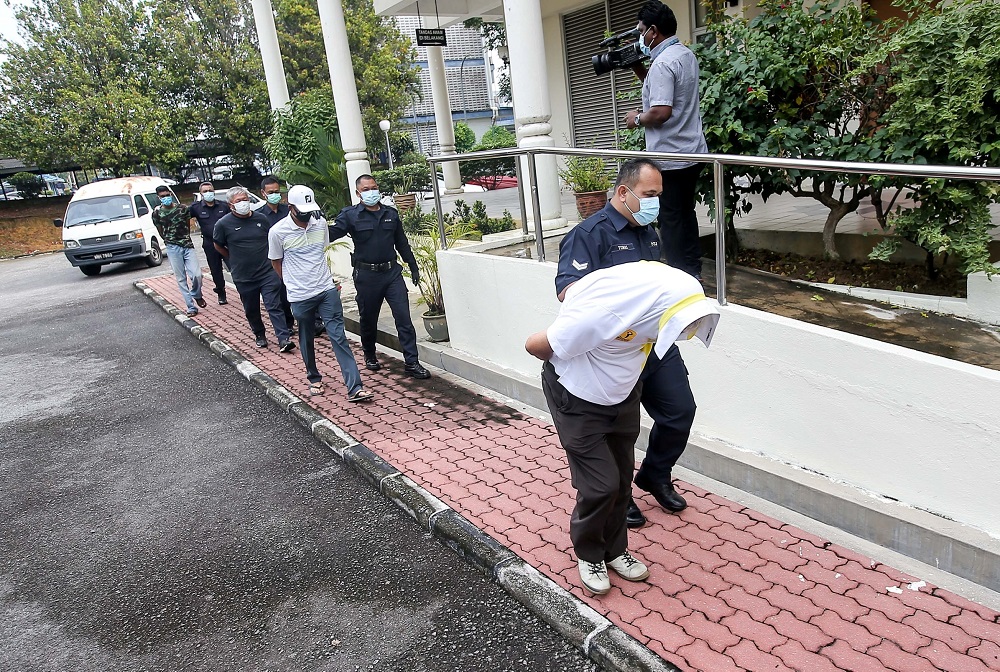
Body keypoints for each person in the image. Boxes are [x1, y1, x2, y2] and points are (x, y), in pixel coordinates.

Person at [525, 261, 719, 595]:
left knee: (621, 480)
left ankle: (614, 550)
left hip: (623, 395)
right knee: (600, 485)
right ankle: (589, 554)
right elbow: (535, 345)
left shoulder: (671, 294)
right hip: (578, 399)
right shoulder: (601, 315)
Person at [556, 158, 700, 529]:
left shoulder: (649, 232)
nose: (656, 202)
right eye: (649, 195)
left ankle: (655, 474)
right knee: (620, 432)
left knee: (680, 411)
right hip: (613, 352)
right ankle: (622, 498)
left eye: (658, 195)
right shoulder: (589, 234)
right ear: (624, 192)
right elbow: (569, 292)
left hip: (653, 345)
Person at [623, 0, 709, 280]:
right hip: (692, 152)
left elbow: (661, 112)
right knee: (685, 213)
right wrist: (638, 70)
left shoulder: (663, 62)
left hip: (671, 156)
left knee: (670, 219)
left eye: (641, 31)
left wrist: (636, 118)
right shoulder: (684, 55)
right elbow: (663, 90)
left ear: (653, 31)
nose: (640, 37)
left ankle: (676, 278)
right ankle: (692, 270)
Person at [268, 185, 373, 402]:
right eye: (303, 211)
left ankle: (355, 387)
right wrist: (291, 282)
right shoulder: (278, 231)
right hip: (300, 295)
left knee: (338, 336)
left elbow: (321, 252)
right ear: (291, 208)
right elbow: (276, 262)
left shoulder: (320, 224)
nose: (307, 216)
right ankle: (314, 377)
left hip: (326, 289)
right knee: (306, 338)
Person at [330, 175, 430, 379]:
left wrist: (413, 265)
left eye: (374, 188)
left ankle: (412, 362)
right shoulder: (350, 215)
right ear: (358, 193)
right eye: (366, 189)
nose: (371, 192)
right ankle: (369, 354)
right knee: (368, 318)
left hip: (392, 273)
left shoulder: (390, 214)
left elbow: (401, 243)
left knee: (403, 319)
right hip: (367, 276)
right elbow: (331, 234)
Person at [213, 186, 295, 352]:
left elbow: (272, 240)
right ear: (231, 205)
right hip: (243, 275)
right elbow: (218, 245)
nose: (243, 203)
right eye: (239, 201)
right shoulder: (223, 224)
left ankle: (283, 338)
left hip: (267, 271)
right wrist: (233, 257)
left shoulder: (261, 219)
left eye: (245, 199)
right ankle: (259, 334)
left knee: (274, 304)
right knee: (251, 308)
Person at [152, 184, 205, 317]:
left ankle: (196, 294)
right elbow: (160, 230)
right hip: (171, 247)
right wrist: (168, 239)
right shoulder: (157, 213)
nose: (166, 198)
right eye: (162, 196)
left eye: (167, 195)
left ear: (171, 194)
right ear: (158, 198)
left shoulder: (182, 209)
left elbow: (187, 225)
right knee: (181, 278)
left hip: (186, 244)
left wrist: (184, 237)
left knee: (197, 274)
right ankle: (190, 306)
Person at [188, 181, 229, 305]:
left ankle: (243, 292)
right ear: (201, 193)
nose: (208, 193)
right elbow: (184, 218)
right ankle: (221, 293)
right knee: (216, 270)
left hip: (226, 242)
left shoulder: (223, 206)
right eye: (205, 191)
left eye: (210, 190)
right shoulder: (196, 207)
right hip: (209, 243)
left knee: (235, 267)